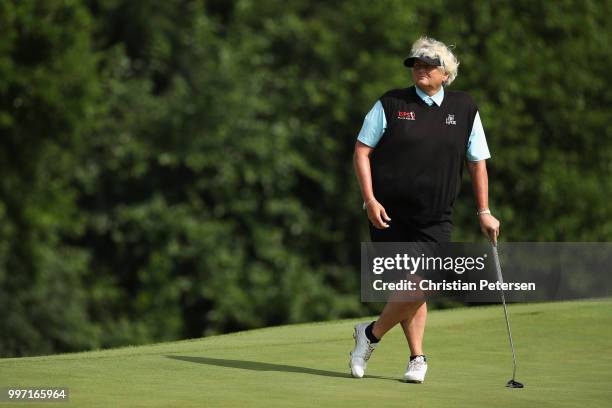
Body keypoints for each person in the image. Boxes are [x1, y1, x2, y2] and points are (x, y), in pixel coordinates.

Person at [350, 36, 500, 383]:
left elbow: (477, 162)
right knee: (407, 287)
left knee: (421, 282)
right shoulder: (391, 103)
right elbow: (361, 151)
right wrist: (370, 200)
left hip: (435, 217)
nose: (419, 68)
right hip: (388, 215)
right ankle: (417, 357)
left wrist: (483, 211)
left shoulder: (465, 108)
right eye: (415, 63)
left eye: (427, 64)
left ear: (446, 73)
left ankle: (369, 334)